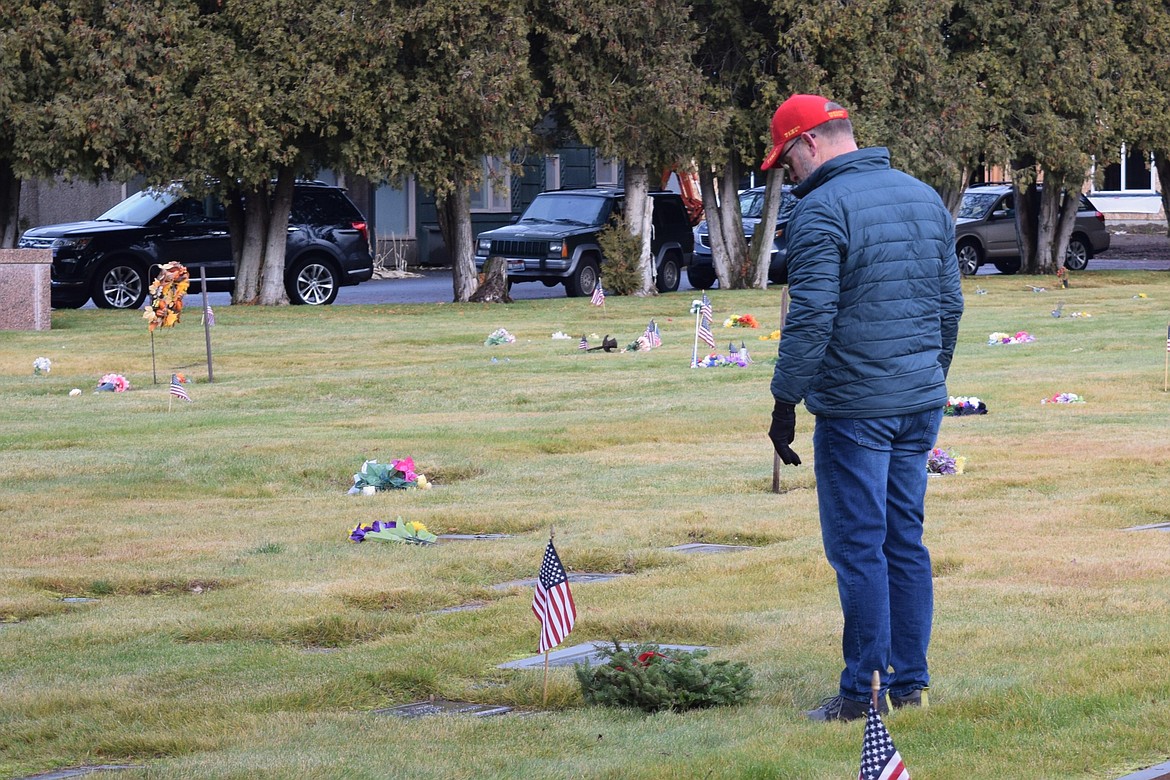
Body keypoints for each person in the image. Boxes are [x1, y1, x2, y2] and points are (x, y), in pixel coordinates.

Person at [761, 94, 964, 722]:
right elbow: (950, 304)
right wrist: (929, 376)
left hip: (856, 410)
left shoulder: (821, 210)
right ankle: (909, 682)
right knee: (904, 540)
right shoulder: (923, 196)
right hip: (918, 401)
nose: (786, 174)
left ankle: (862, 692)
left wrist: (784, 400)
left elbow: (811, 315)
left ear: (811, 143)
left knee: (859, 546)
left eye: (786, 160)